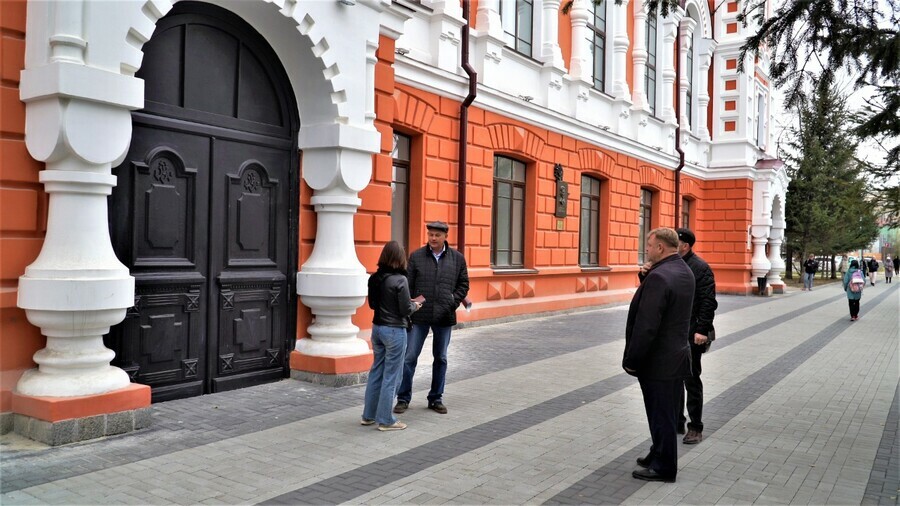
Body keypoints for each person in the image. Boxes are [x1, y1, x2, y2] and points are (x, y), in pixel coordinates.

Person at [624, 227, 694, 483]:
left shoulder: (660, 276)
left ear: (661, 248)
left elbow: (647, 325)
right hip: (675, 357)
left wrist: (632, 361)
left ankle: (664, 467)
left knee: (660, 414)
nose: (647, 249)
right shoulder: (683, 270)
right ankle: (658, 453)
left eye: (649, 245)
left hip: (658, 361)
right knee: (665, 413)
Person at [394, 221, 470, 415]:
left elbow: (463, 284)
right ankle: (403, 398)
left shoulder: (457, 258)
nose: (433, 238)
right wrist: (411, 307)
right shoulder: (417, 256)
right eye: (430, 235)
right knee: (410, 357)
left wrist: (452, 301)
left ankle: (436, 398)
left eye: (437, 235)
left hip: (444, 315)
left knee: (441, 358)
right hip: (419, 315)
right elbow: (408, 284)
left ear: (445, 237)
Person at [362, 241, 422, 431]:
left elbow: (373, 304)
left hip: (377, 328)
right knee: (392, 375)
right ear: (400, 258)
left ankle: (368, 415)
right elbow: (405, 309)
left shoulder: (375, 278)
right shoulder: (400, 279)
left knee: (377, 372)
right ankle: (386, 420)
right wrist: (415, 305)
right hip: (395, 330)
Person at [674, 228, 717, 445]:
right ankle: (677, 421)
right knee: (674, 378)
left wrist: (702, 330)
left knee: (691, 379)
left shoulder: (700, 267)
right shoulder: (671, 263)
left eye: (676, 241)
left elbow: (708, 301)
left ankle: (695, 427)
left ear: (685, 246)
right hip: (674, 332)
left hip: (693, 333)